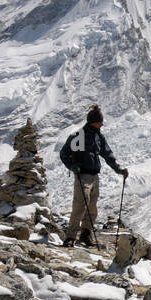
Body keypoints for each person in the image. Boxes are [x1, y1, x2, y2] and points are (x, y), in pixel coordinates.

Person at [58, 105, 128, 247]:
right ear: (93, 121)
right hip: (82, 176)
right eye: (99, 122)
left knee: (92, 207)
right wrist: (72, 166)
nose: (101, 124)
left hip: (95, 176)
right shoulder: (78, 136)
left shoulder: (98, 136)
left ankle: (85, 234)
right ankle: (70, 237)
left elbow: (107, 155)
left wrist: (118, 169)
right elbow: (64, 154)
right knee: (79, 206)